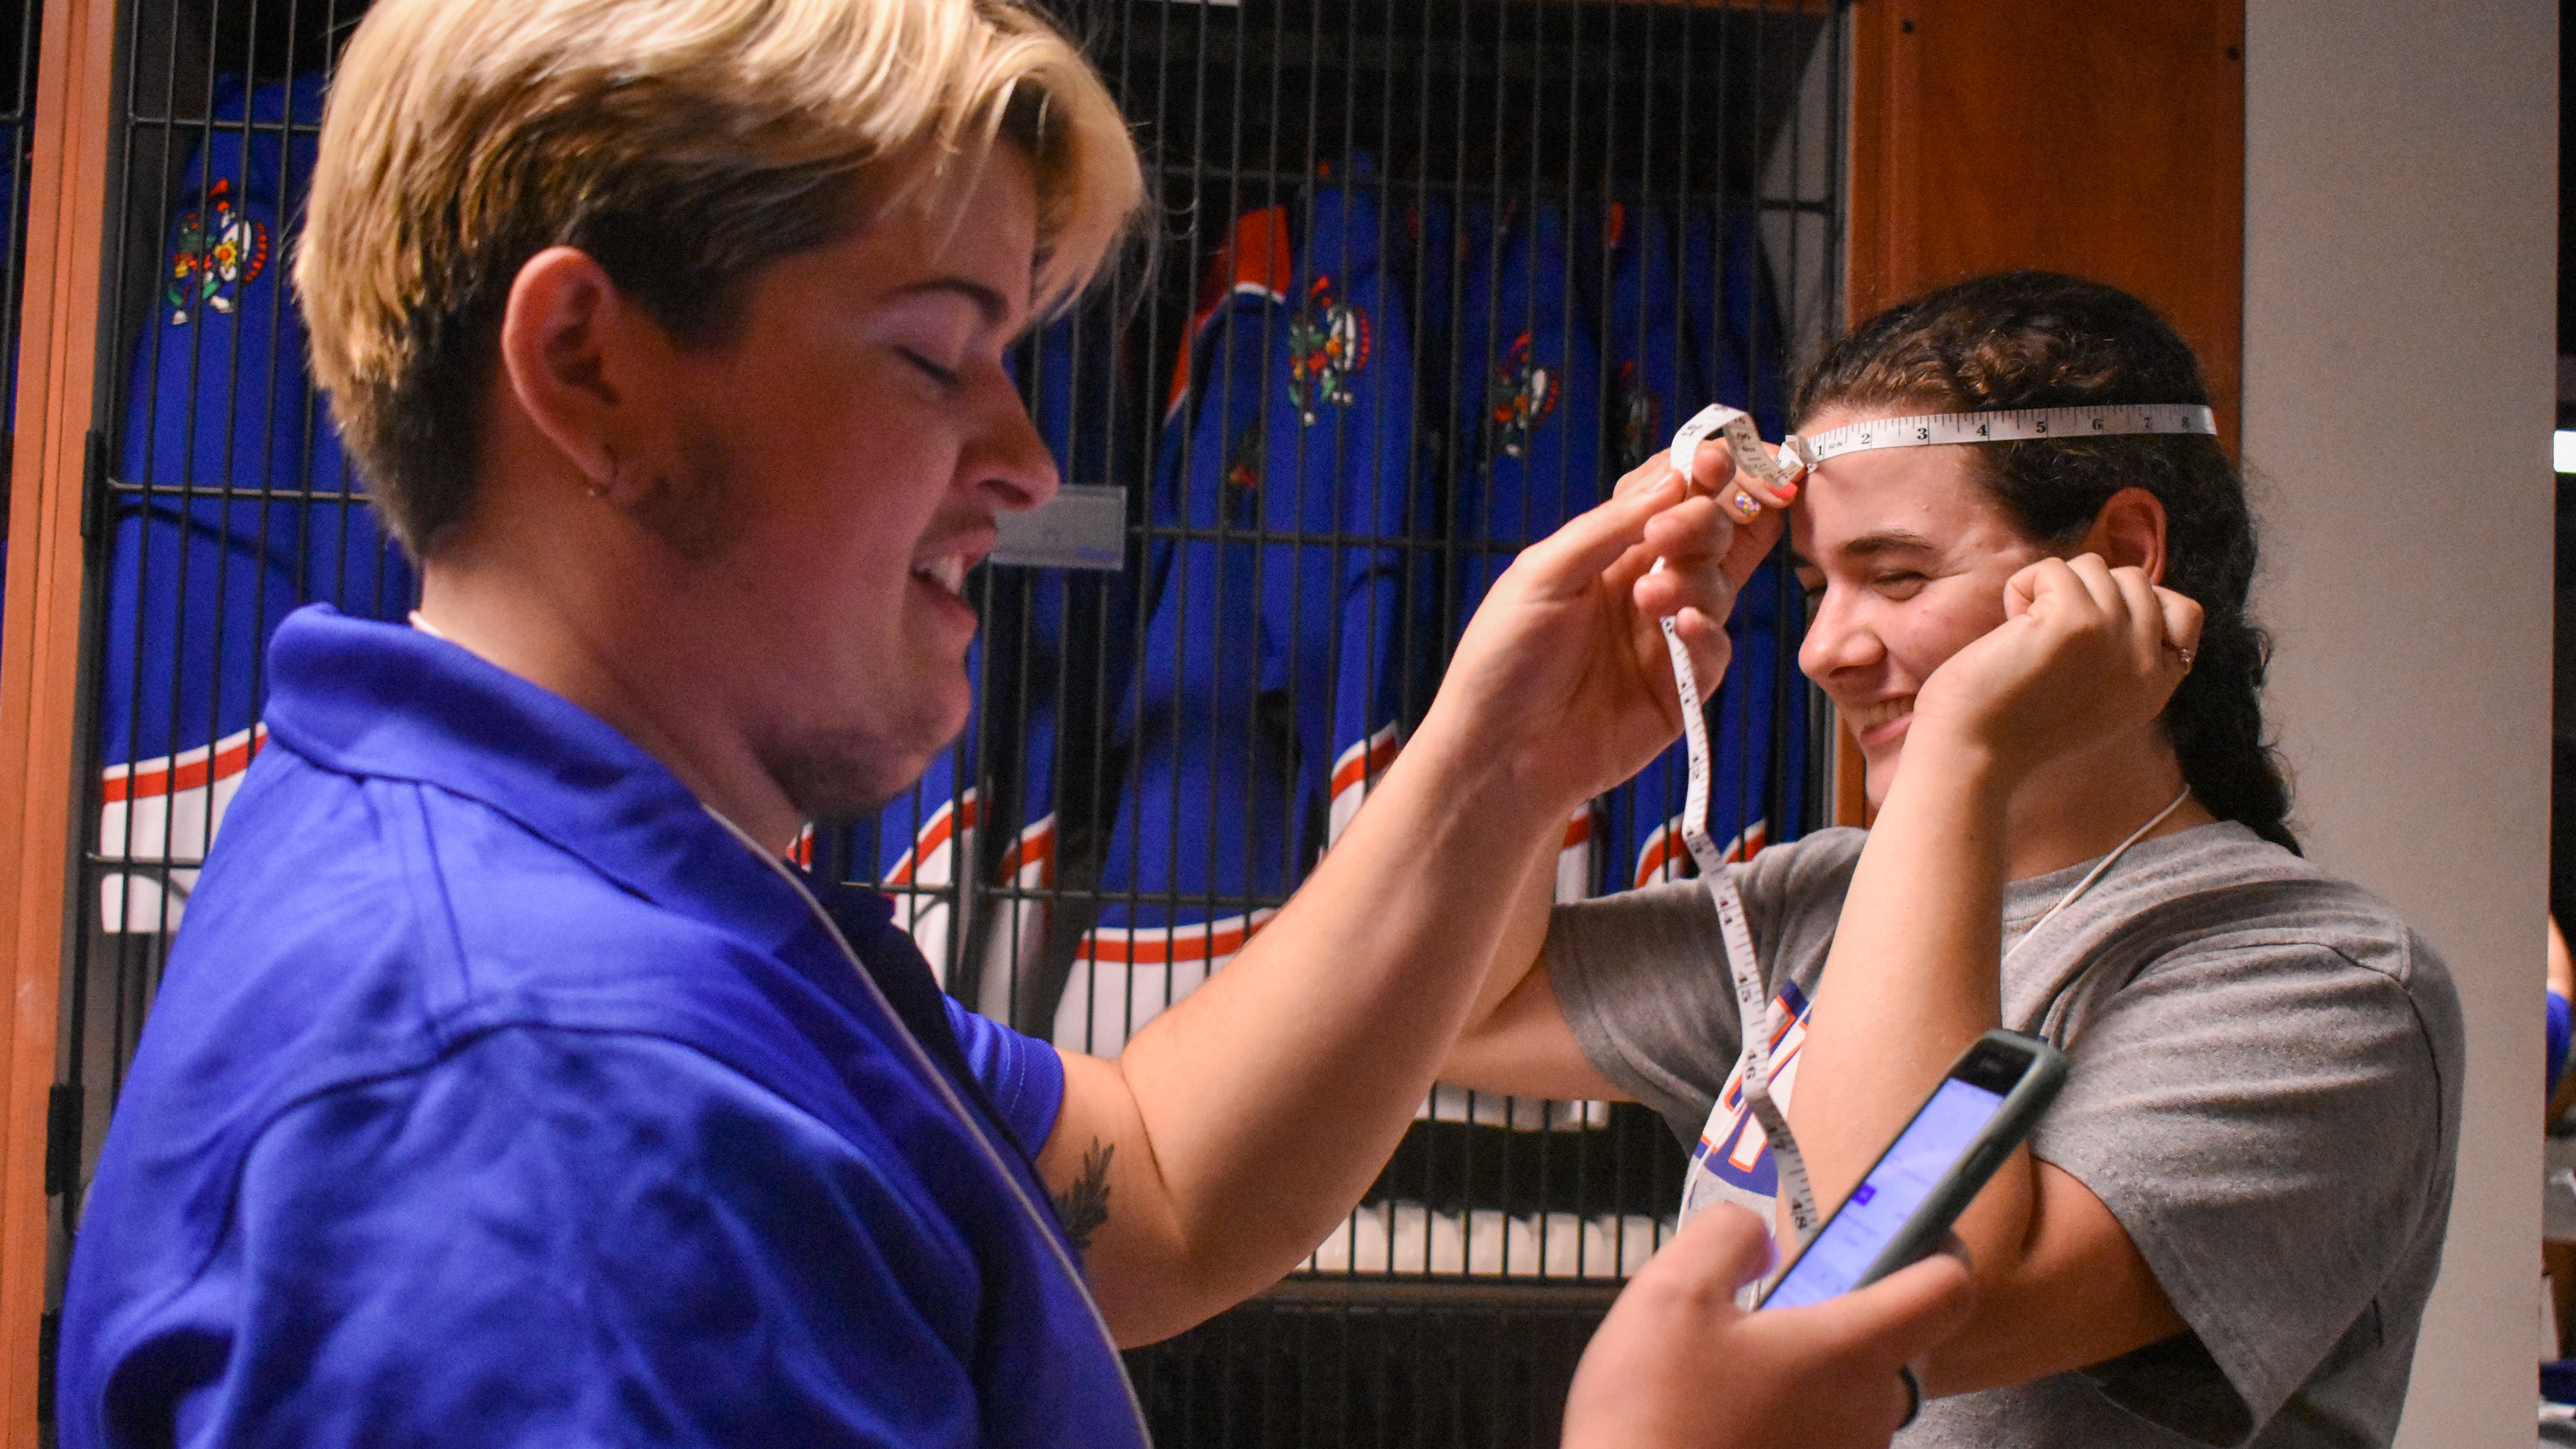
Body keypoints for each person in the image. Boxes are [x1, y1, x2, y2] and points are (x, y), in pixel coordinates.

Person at [52, 0, 1968, 1444]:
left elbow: (1159, 1184)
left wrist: (1502, 759)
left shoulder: (629, 898)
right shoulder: (554, 1103)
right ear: (589, 368)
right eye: (930, 355)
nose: (1028, 460)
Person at [1446, 272, 2465, 1448]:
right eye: (1818, 587)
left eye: (1898, 575)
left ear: (2123, 557)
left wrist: (1959, 756)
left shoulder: (2324, 989)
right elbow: (1463, 1010)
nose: (1824, 649)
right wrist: (1547, 753)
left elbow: (1882, 1306)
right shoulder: (1821, 902)